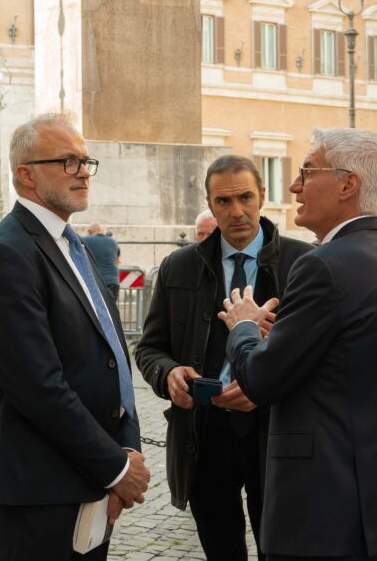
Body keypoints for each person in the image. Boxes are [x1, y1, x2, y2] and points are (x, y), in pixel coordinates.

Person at [219, 127, 377, 561]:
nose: (294, 185)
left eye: (307, 171)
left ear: (347, 184)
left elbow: (262, 380)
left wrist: (245, 327)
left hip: (323, 513)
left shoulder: (321, 266)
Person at [0, 112, 150, 561]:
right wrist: (115, 467)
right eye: (69, 161)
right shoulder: (5, 254)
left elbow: (111, 352)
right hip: (42, 487)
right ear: (25, 175)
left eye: (87, 161)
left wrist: (126, 448)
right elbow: (38, 386)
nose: (84, 172)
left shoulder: (74, 244)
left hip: (91, 475)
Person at [135, 155, 312, 561]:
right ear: (210, 204)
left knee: (281, 550)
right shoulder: (177, 267)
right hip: (204, 433)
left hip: (278, 433)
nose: (237, 212)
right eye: (224, 201)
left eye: (246, 197)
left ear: (263, 196)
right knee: (221, 549)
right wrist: (168, 374)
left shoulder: (304, 264)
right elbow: (148, 348)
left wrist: (266, 387)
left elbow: (322, 359)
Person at [82, 223, 121, 302]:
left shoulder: (86, 239)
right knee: (111, 311)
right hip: (114, 282)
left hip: (98, 283)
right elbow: (118, 262)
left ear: (89, 232)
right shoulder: (113, 242)